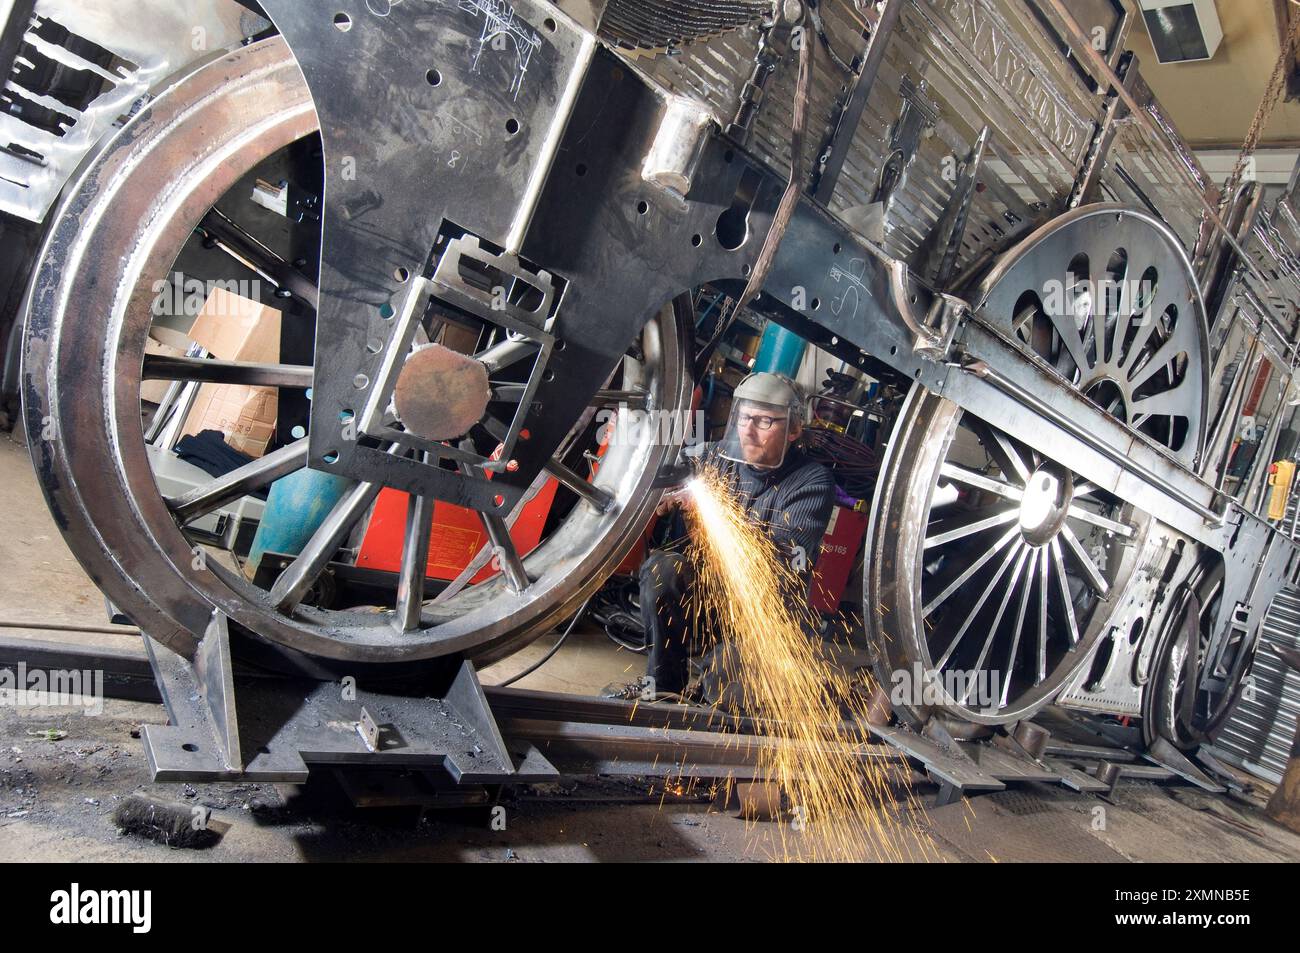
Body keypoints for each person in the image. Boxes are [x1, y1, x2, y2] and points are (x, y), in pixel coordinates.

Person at [605, 372, 836, 702]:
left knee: (727, 702)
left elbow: (786, 560)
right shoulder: (713, 458)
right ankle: (663, 686)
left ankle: (713, 690)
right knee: (662, 569)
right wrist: (661, 491)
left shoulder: (812, 481)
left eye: (765, 422)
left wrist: (711, 513)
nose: (749, 431)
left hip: (762, 613)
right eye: (744, 418)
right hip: (705, 598)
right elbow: (667, 472)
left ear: (794, 430)